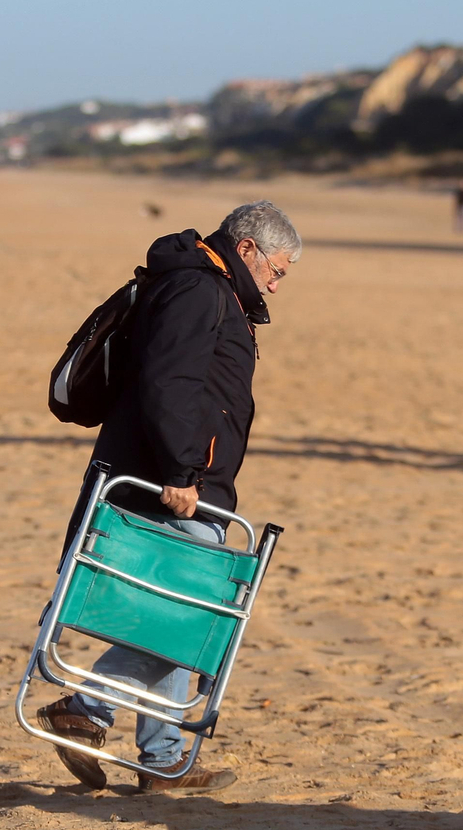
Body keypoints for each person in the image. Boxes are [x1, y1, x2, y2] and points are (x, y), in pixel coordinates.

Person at [38, 200, 302, 794]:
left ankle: (159, 758)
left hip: (180, 474)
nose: (277, 287)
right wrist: (184, 471)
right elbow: (170, 383)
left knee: (184, 615)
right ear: (248, 249)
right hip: (175, 481)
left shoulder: (201, 284)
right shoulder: (200, 290)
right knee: (194, 617)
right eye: (277, 271)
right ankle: (86, 707)